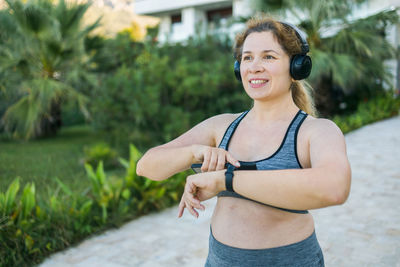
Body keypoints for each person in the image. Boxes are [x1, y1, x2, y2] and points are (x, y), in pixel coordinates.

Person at [136, 16, 351, 267]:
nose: (255, 66)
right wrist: (196, 153)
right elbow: (146, 166)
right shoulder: (222, 126)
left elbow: (335, 188)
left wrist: (225, 180)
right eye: (247, 57)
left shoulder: (316, 131)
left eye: (268, 57)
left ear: (297, 68)